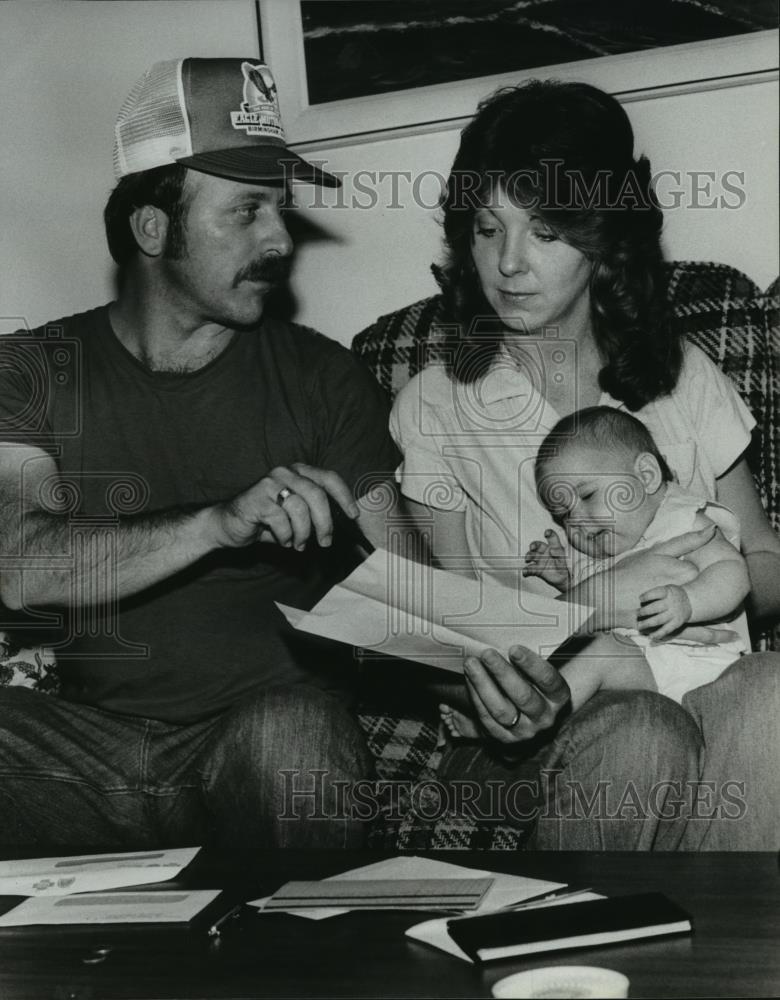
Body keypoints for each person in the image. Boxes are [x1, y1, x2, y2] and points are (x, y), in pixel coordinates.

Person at [0, 58, 399, 849]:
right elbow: (19, 567)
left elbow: (418, 591)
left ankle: (315, 965)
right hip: (88, 759)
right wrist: (218, 523)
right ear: (154, 228)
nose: (281, 238)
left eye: (278, 211)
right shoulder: (36, 371)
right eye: (246, 211)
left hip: (259, 743)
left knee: (295, 734)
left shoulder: (324, 378)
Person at [389, 79, 780, 849]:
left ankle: (735, 965)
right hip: (543, 722)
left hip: (699, 674)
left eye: (545, 232)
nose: (508, 263)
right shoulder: (435, 405)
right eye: (486, 227)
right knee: (641, 728)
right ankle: (582, 956)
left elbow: (766, 556)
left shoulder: (683, 377)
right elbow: (450, 625)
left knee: (771, 692)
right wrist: (594, 609)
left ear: (604, 243)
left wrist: (702, 592)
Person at [443, 406, 749, 741]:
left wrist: (689, 600)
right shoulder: (612, 547)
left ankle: (509, 720)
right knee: (596, 652)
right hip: (640, 682)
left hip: (699, 668)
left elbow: (733, 572)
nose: (577, 522)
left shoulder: (685, 519)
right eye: (563, 516)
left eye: (588, 495)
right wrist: (566, 582)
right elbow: (609, 605)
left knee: (601, 653)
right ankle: (509, 718)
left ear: (646, 476)